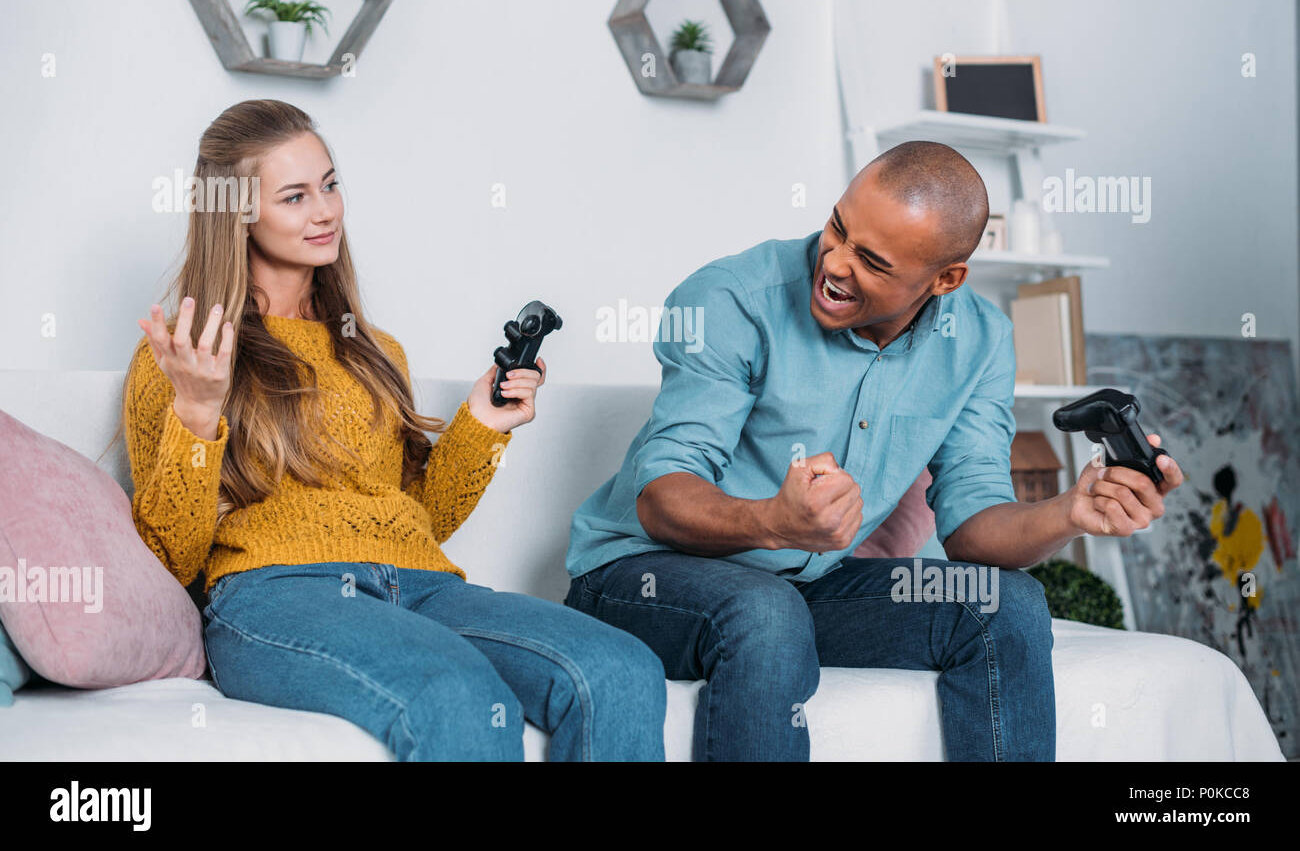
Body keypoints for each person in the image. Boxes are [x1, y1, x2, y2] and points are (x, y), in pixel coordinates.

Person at [563, 140, 1185, 761]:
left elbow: (971, 528)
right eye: (837, 227)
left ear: (946, 279)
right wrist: (773, 523)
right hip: (639, 577)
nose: (834, 263)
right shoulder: (731, 299)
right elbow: (662, 495)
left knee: (1006, 604)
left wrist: (1070, 512)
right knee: (765, 611)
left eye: (871, 260)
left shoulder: (980, 341)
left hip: (807, 588)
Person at [123, 99, 665, 761]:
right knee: (456, 693)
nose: (325, 211)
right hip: (277, 592)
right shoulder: (184, 355)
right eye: (294, 196)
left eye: (329, 184)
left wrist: (480, 426)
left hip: (422, 583)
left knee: (621, 670)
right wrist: (198, 412)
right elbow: (168, 556)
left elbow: (418, 517)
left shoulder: (375, 351)